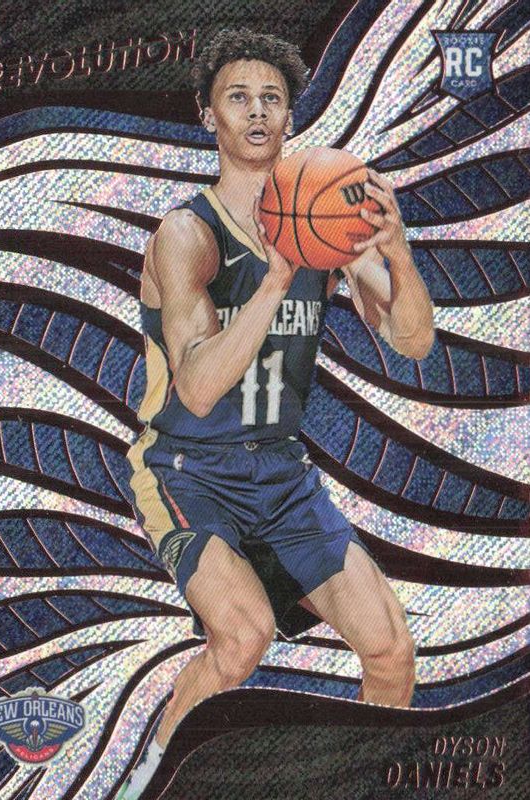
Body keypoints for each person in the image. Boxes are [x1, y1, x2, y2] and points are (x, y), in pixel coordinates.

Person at [118, 28, 434, 799]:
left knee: (391, 651)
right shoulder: (187, 234)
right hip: (188, 468)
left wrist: (395, 251)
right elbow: (197, 389)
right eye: (239, 98)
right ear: (209, 116)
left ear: (291, 117)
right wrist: (275, 280)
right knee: (242, 637)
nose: (258, 112)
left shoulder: (321, 213)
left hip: (279, 472)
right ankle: (148, 780)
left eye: (272, 98)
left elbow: (413, 342)